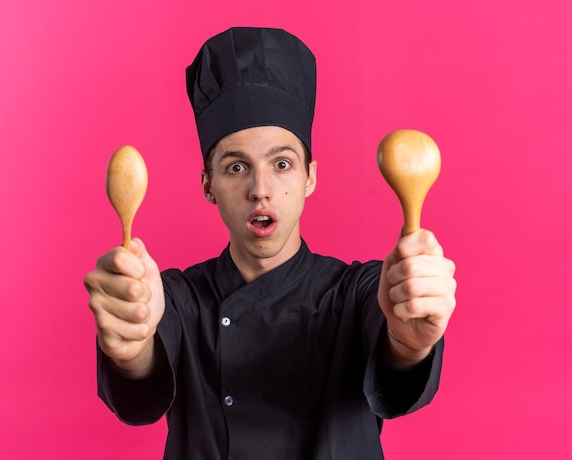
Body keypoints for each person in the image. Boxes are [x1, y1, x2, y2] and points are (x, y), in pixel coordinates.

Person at [84, 27, 457, 459]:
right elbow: (141, 373)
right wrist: (128, 346)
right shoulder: (174, 298)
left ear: (309, 177)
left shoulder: (360, 291)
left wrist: (412, 342)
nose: (260, 189)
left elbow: (394, 346)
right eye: (236, 167)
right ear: (208, 184)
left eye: (282, 163)